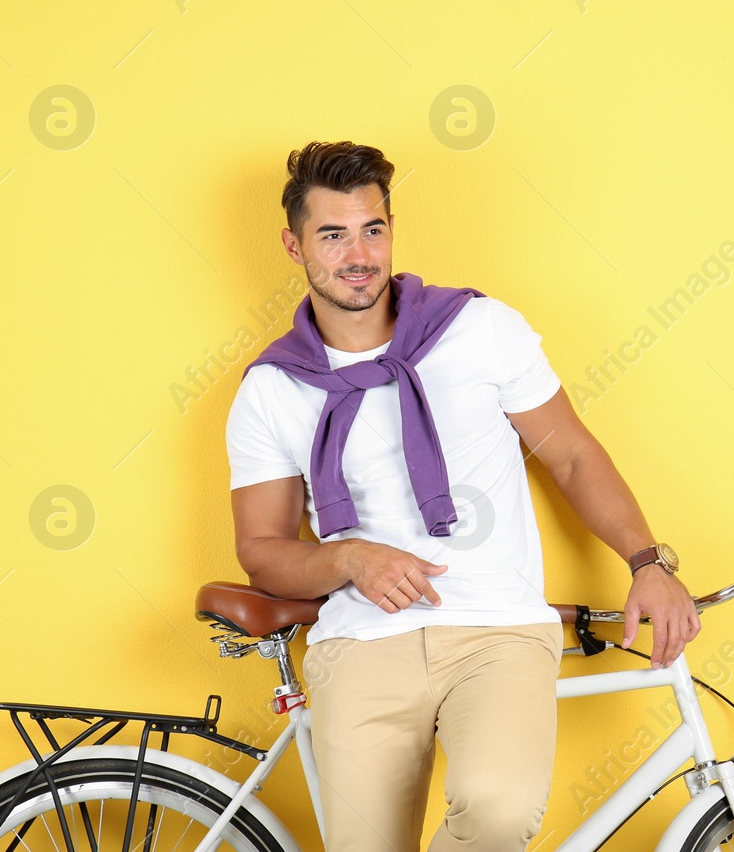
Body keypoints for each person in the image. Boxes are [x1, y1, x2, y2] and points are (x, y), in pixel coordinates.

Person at [224, 141, 699, 852]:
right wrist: (351, 558)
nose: (359, 254)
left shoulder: (479, 328)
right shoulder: (272, 387)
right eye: (333, 234)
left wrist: (647, 561)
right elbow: (261, 548)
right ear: (294, 245)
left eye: (372, 229)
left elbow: (570, 454)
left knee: (497, 810)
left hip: (496, 629)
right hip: (360, 643)